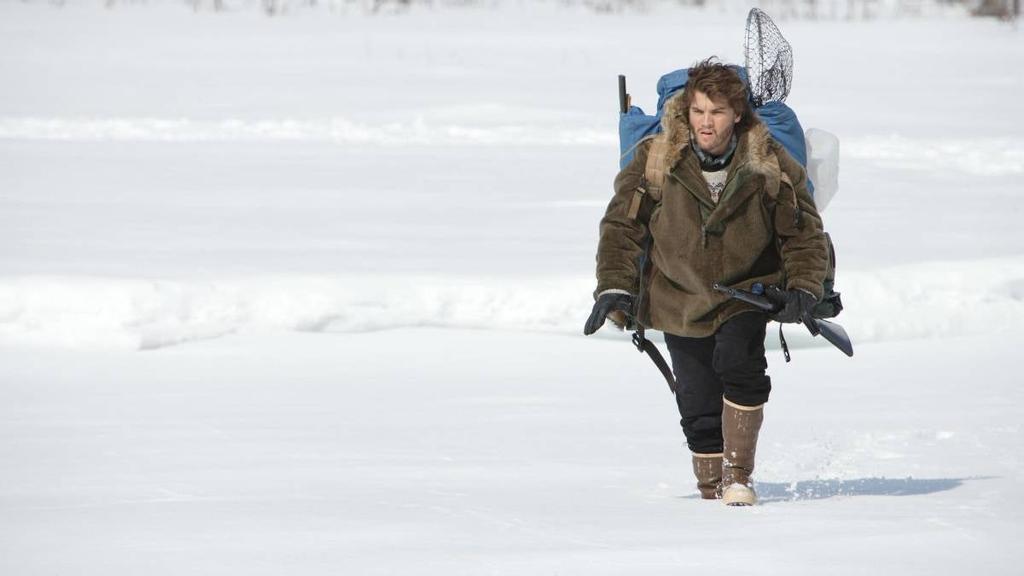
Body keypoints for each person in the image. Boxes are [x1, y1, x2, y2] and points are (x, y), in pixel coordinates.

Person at [584, 58, 829, 506]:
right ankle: (710, 495)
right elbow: (622, 227)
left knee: (740, 364)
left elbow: (803, 231)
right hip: (678, 296)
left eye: (716, 112)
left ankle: (739, 478)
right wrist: (614, 286)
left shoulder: (767, 159)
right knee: (696, 404)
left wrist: (805, 287)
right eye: (698, 111)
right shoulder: (655, 157)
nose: (705, 122)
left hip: (746, 292)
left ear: (737, 113)